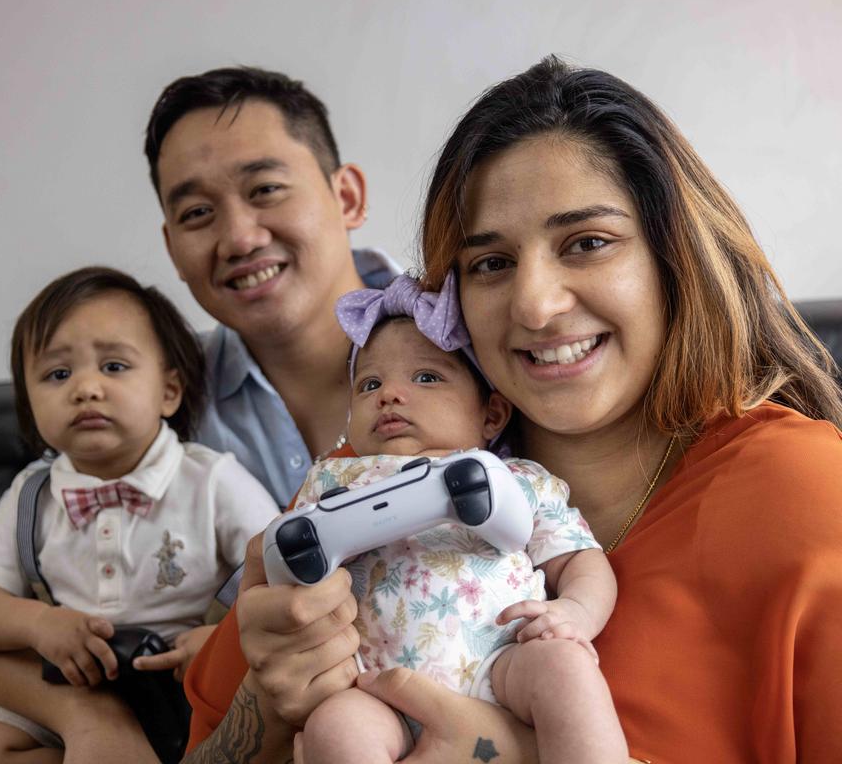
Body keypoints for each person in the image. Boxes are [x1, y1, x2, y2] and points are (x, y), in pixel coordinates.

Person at [182, 56, 842, 763]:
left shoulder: (809, 498)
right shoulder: (370, 479)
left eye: (587, 243)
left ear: (673, 256)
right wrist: (267, 704)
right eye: (491, 263)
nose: (533, 304)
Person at [0, 67, 399, 763]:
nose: (237, 237)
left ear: (345, 195)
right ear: (171, 245)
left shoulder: (459, 337)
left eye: (265, 189)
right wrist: (87, 718)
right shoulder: (160, 401)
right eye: (197, 213)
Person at [0, 266, 279, 763]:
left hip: (189, 676)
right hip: (79, 686)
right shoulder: (32, 495)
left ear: (169, 390)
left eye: (114, 367)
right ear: (29, 402)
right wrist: (39, 624)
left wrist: (222, 643)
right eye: (58, 374)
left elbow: (280, 575)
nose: (85, 388)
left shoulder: (211, 481)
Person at [297, 273, 625, 764]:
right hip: (375, 686)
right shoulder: (333, 479)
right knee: (333, 726)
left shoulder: (516, 479)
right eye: (369, 384)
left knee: (566, 669)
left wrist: (574, 613)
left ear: (491, 415)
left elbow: (580, 559)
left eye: (426, 377)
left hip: (502, 658)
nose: (388, 394)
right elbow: (288, 567)